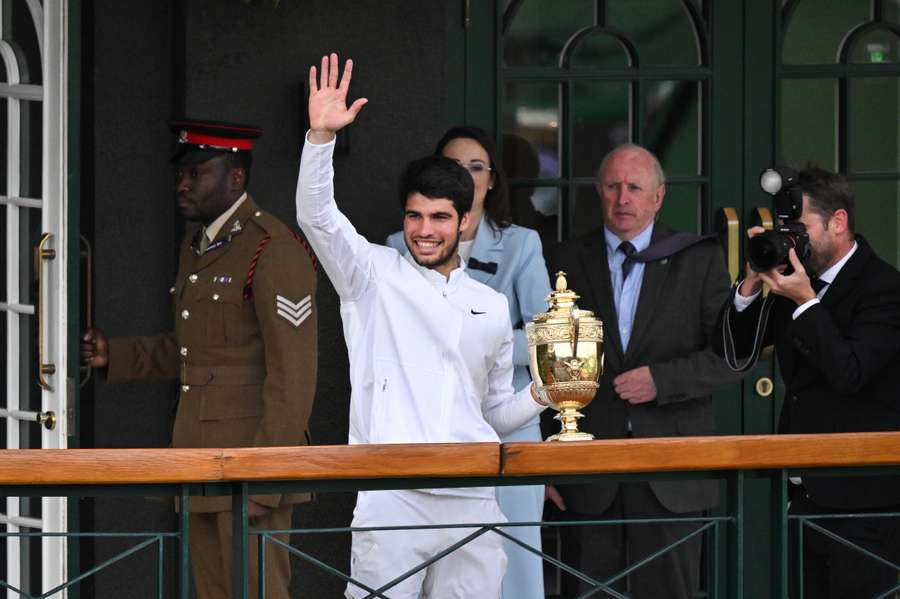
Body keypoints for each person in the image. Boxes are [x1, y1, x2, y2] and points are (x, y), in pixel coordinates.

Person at [296, 53, 547, 599]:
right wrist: (320, 138)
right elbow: (316, 217)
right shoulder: (371, 275)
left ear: (463, 221)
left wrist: (548, 392)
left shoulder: (489, 305)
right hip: (394, 494)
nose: (425, 231)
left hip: (473, 496)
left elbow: (493, 415)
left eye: (439, 218)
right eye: (415, 216)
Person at [81, 119, 318, 599]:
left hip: (251, 460)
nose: (182, 183)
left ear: (236, 177)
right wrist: (119, 355)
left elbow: (293, 376)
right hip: (199, 452)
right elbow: (195, 350)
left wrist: (264, 477)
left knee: (257, 591)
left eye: (197, 172)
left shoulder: (272, 249)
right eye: (181, 173)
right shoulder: (198, 246)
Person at [550, 143, 740, 598]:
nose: (623, 199)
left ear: (658, 197)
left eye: (635, 187)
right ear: (599, 192)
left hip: (671, 465)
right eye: (613, 187)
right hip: (589, 467)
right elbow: (548, 367)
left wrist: (662, 381)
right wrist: (546, 461)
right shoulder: (565, 261)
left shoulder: (699, 258)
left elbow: (730, 355)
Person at [717, 167, 900, 598]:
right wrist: (749, 283)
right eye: (785, 230)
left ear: (838, 222)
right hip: (804, 498)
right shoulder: (794, 280)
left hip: (868, 507)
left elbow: (850, 373)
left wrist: (805, 301)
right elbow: (734, 352)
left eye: (800, 229)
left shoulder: (885, 288)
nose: (791, 240)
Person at [385, 126, 551, 599]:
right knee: (429, 564)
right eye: (455, 167)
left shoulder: (522, 244)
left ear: (493, 179)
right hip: (426, 429)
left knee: (515, 558)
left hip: (509, 423)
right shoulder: (398, 245)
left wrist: (482, 341)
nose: (467, 176)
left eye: (477, 167)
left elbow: (544, 335)